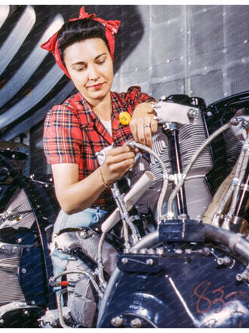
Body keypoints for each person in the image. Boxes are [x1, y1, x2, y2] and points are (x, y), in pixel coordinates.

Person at [41, 7, 158, 282]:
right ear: (68, 71)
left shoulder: (130, 101)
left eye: (100, 61)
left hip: (131, 223)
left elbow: (150, 107)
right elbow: (68, 201)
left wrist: (146, 108)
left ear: (111, 57)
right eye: (80, 68)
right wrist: (105, 175)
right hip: (84, 231)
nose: (93, 75)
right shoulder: (65, 116)